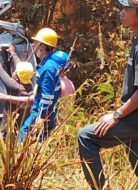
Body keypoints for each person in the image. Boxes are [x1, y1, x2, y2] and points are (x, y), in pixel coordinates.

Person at [78, 1, 138, 189]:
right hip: (132, 116)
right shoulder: (135, 40)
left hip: (134, 118)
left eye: (126, 9)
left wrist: (117, 115)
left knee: (86, 136)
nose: (121, 13)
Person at [0, 28, 70, 141]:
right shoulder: (48, 64)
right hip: (42, 113)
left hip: (39, 114)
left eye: (36, 43)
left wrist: (40, 118)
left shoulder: (48, 68)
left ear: (42, 46)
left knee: (24, 139)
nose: (33, 46)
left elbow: (47, 97)